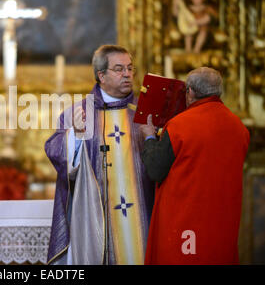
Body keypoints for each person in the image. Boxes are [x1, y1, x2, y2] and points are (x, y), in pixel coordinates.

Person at [45, 45, 155, 265]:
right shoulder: (78, 113)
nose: (127, 74)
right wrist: (75, 136)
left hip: (142, 216)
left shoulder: (147, 112)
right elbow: (57, 155)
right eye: (119, 69)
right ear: (101, 75)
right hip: (95, 219)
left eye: (130, 68)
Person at [139, 67, 250, 264]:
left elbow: (156, 170)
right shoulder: (239, 127)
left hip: (185, 224)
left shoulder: (179, 125)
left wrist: (149, 136)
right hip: (221, 223)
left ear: (189, 92)